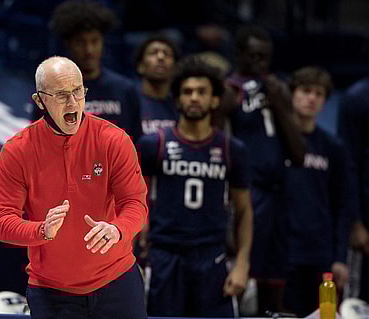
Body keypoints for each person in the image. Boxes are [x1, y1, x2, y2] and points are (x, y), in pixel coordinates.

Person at [0, 56, 148, 319]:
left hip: (117, 282)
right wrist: (41, 229)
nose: (73, 103)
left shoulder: (114, 140)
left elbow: (135, 203)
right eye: (62, 95)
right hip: (52, 292)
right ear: (40, 100)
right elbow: (2, 221)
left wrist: (118, 229)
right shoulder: (16, 151)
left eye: (78, 91)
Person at [138, 55, 253, 317]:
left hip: (211, 258)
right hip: (165, 256)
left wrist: (242, 264)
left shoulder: (231, 149)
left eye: (202, 92)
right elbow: (134, 201)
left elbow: (244, 210)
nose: (193, 98)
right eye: (187, 92)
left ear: (214, 99)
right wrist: (135, 257)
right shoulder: (152, 144)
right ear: (177, 99)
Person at [223, 24, 307, 315]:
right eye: (253, 56)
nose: (259, 64)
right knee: (245, 285)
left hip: (279, 198)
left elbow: (299, 155)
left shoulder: (278, 87)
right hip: (248, 194)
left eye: (265, 58)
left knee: (276, 284)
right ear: (239, 55)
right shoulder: (228, 89)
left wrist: (281, 105)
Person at [282, 66, 352, 317]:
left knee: (326, 314)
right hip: (284, 253)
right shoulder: (278, 141)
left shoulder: (333, 147)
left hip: (322, 255)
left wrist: (340, 257)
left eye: (318, 93)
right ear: (292, 95)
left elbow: (342, 204)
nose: (311, 98)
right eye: (305, 91)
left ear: (324, 102)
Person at [34, 0, 142, 142]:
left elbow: (136, 145)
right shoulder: (50, 92)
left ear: (103, 42)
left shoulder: (125, 90)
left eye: (95, 41)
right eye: (81, 42)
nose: (89, 50)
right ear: (68, 44)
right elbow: (39, 142)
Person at [337, 76, 369, 303]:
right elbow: (347, 164)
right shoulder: (357, 98)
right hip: (366, 220)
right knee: (360, 302)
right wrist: (356, 222)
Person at [134, 33, 181, 135]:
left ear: (175, 68)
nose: (161, 57)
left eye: (167, 54)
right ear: (140, 66)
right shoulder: (130, 101)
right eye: (153, 53)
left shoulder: (182, 103)